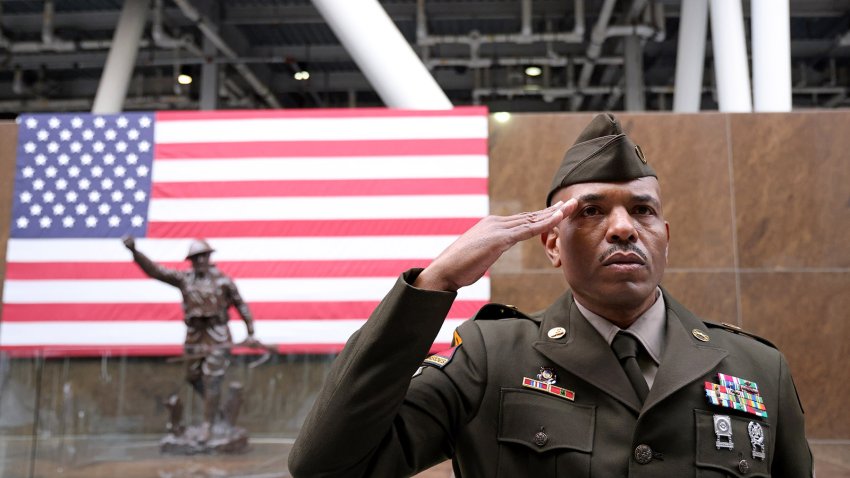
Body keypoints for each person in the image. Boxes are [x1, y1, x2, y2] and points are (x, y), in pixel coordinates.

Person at [288, 114, 812, 477]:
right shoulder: (489, 359)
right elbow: (327, 464)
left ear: (665, 239)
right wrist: (434, 283)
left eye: (643, 210)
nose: (624, 228)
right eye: (591, 211)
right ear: (552, 244)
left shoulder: (758, 369)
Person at [123, 236, 257, 442]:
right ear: (191, 260)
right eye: (196, 258)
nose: (200, 261)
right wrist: (135, 252)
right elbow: (155, 271)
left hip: (217, 334)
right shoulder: (184, 279)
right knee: (193, 377)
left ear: (209, 257)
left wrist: (250, 331)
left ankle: (207, 425)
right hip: (195, 336)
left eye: (204, 256)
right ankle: (217, 411)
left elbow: (241, 305)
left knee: (212, 380)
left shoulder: (223, 281)